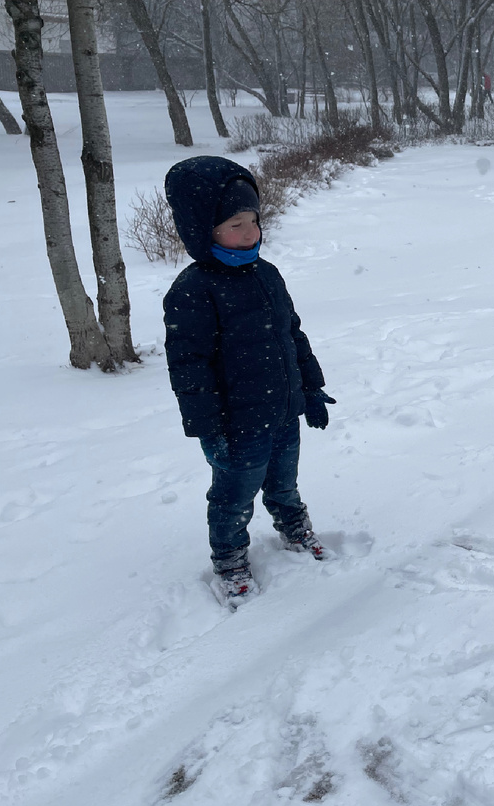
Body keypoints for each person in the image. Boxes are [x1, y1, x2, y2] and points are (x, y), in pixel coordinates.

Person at [163, 156, 336, 607]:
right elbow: (189, 368)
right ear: (205, 230)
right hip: (235, 426)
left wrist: (311, 389)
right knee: (232, 497)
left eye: (254, 221)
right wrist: (208, 428)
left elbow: (291, 335)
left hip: (282, 411)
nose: (250, 232)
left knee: (284, 481)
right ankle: (230, 559)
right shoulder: (192, 291)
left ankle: (293, 526)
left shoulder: (267, 274)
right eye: (235, 224)